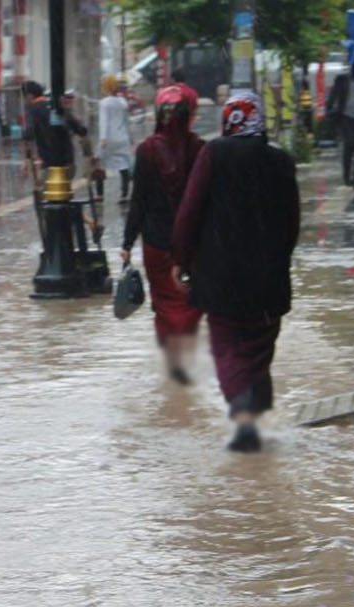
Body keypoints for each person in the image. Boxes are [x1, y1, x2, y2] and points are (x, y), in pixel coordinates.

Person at [172, 90, 300, 453]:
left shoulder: (214, 153)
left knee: (228, 345)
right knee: (259, 346)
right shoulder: (281, 161)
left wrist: (180, 259)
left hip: (220, 275)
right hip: (268, 278)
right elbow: (292, 223)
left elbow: (189, 211)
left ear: (229, 120)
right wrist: (278, 261)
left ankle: (244, 416)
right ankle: (257, 411)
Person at [120, 83, 205, 385]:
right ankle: (186, 360)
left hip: (156, 244)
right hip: (193, 245)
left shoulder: (147, 151)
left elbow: (138, 201)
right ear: (190, 114)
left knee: (164, 304)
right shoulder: (200, 149)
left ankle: (172, 367)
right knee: (192, 301)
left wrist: (127, 243)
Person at [96, 75, 134, 202]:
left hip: (108, 138)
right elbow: (126, 122)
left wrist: (103, 138)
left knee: (99, 165)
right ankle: (124, 194)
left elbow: (104, 121)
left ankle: (100, 194)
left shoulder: (104, 103)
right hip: (122, 137)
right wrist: (130, 138)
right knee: (123, 165)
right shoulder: (123, 102)